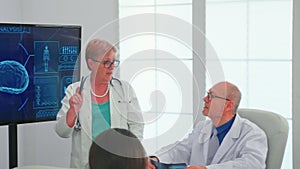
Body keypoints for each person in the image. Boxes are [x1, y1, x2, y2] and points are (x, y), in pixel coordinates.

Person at [55, 39, 144, 168]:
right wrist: (73, 111)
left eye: (114, 62)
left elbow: (137, 125)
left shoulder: (124, 89)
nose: (112, 67)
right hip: (86, 163)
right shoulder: (74, 90)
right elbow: (62, 132)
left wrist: (129, 152)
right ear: (91, 64)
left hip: (119, 162)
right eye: (106, 63)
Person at [148, 81, 268, 169]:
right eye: (207, 94)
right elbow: (182, 148)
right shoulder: (203, 127)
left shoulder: (253, 134)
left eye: (212, 96)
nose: (205, 99)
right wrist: (156, 159)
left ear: (228, 106)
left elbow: (252, 165)